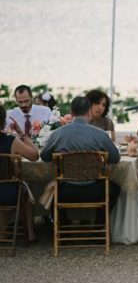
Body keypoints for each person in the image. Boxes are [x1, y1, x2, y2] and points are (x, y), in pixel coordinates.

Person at [40, 96, 121, 225]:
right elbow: (115, 158)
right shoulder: (100, 134)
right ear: (89, 111)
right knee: (114, 188)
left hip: (66, 191)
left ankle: (64, 226)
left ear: (71, 112)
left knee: (49, 188)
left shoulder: (58, 134)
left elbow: (44, 157)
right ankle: (99, 227)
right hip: (95, 190)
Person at [0, 105, 40, 243]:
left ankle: (3, 234)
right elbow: (35, 156)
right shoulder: (11, 141)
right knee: (25, 190)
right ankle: (30, 234)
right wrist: (21, 133)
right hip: (6, 193)